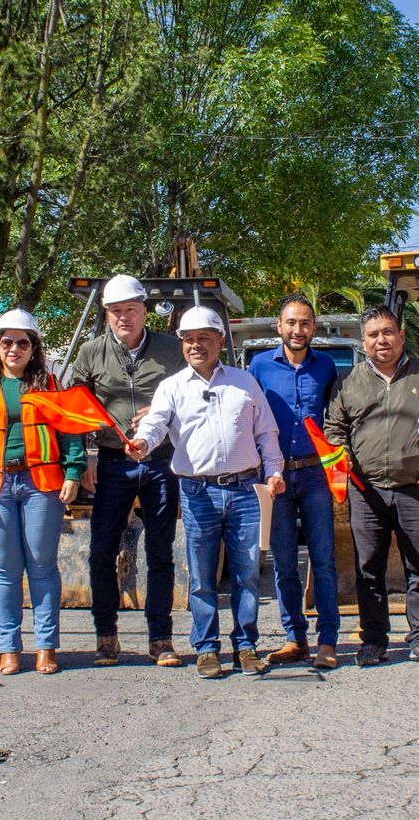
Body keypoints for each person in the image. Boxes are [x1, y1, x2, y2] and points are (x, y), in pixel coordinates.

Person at [126, 306, 284, 679]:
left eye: (204, 338)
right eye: (189, 339)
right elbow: (155, 423)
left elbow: (266, 431)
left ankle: (245, 647)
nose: (196, 345)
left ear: (220, 341)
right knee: (201, 576)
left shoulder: (244, 382)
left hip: (245, 490)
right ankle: (207, 648)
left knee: (247, 574)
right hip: (197, 492)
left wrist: (274, 471)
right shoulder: (172, 387)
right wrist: (142, 442)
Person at [0, 309, 83, 676]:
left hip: (41, 484)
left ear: (33, 348)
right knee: (6, 571)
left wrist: (73, 472)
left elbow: (69, 431)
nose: (14, 348)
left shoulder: (50, 386)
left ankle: (45, 647)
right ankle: (9, 649)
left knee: (42, 566)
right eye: (7, 342)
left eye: (22, 342)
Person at [67, 274, 187, 667]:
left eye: (131, 309)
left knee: (160, 552)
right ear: (106, 314)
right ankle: (106, 637)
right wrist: (85, 456)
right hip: (112, 463)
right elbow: (75, 409)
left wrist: (162, 409)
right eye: (116, 311)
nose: (124, 317)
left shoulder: (171, 350)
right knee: (102, 551)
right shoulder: (91, 353)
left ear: (143, 311)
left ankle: (161, 639)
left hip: (160, 461)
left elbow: (193, 393)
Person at [323, 305, 419, 667]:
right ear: (364, 342)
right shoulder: (348, 381)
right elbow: (334, 428)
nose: (382, 340)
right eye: (373, 335)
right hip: (366, 491)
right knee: (368, 570)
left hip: (414, 487)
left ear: (401, 335)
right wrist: (342, 457)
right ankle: (373, 640)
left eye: (388, 332)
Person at [248, 293, 341, 670]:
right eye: (291, 322)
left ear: (314, 327)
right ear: (279, 326)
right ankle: (294, 638)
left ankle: (328, 640)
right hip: (276, 477)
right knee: (284, 561)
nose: (298, 330)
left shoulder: (327, 367)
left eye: (305, 323)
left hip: (316, 475)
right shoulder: (259, 366)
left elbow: (337, 417)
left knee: (323, 559)